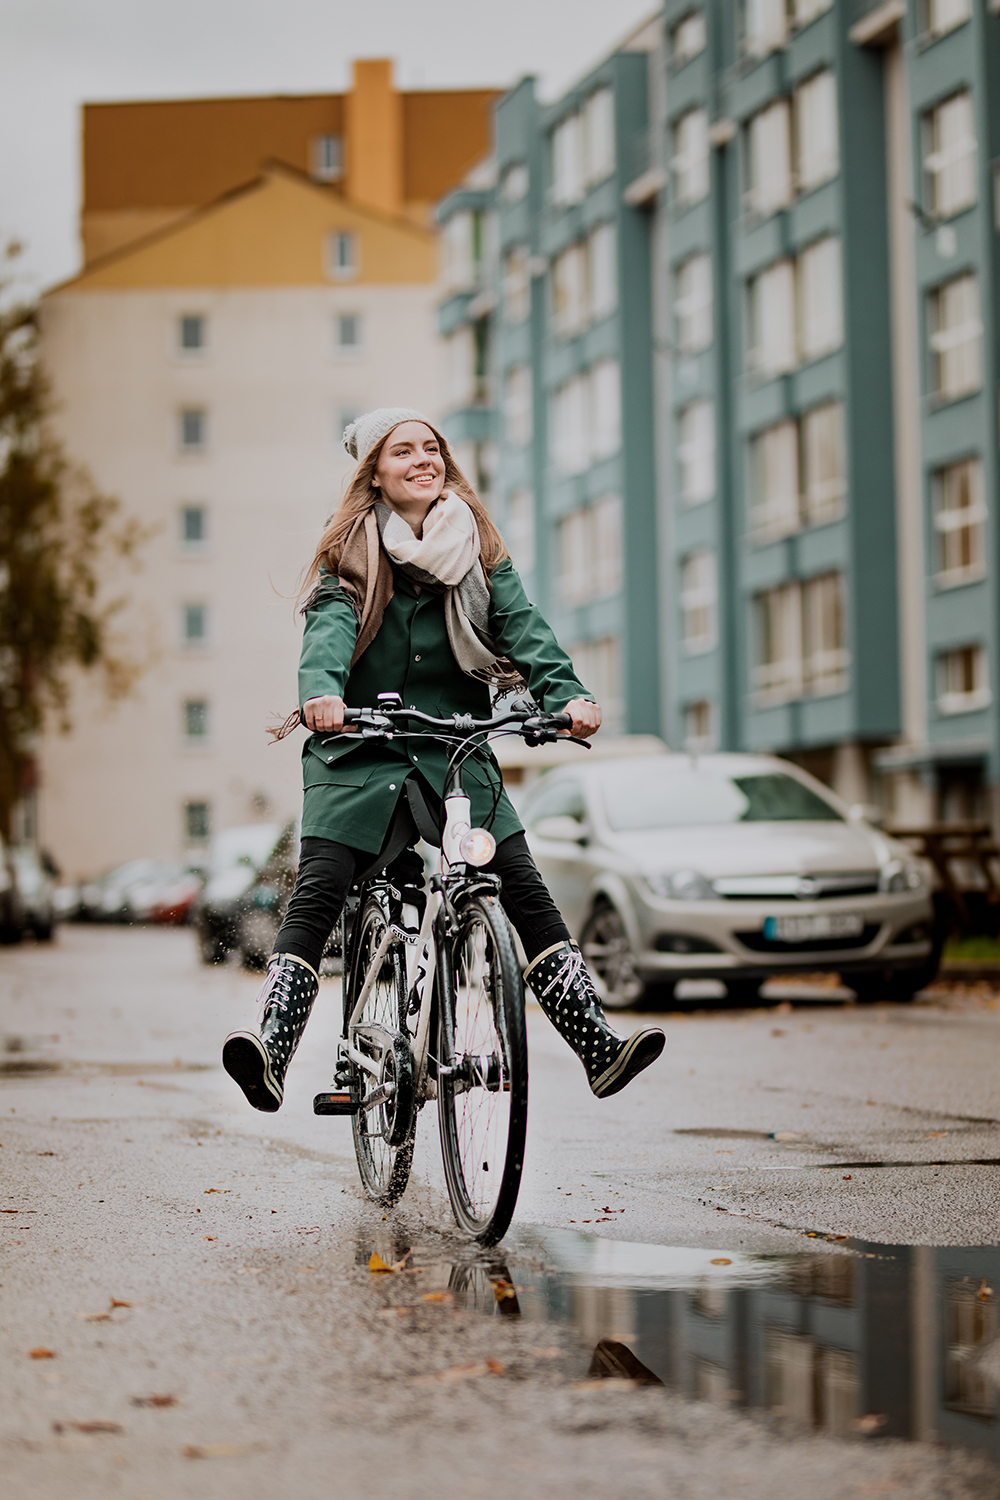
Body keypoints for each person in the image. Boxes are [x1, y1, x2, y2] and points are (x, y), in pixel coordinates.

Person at [222, 408, 665, 1113]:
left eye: (433, 448)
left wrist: (569, 694)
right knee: (321, 887)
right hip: (358, 750)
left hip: (452, 746)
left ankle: (598, 1048)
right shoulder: (351, 556)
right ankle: (271, 1049)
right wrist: (321, 695)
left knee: (520, 882)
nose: (423, 459)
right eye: (404, 450)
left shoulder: (478, 548)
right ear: (375, 472)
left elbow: (523, 629)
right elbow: (328, 636)